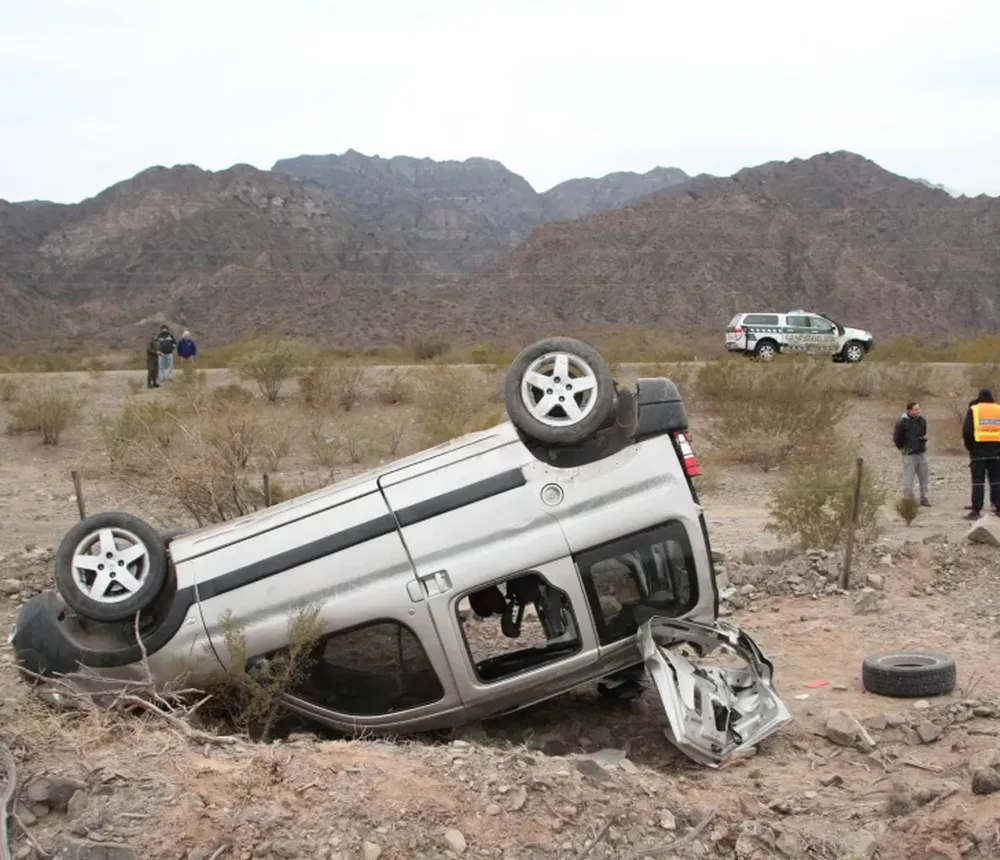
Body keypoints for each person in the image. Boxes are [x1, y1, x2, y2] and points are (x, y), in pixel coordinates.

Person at [962, 387, 1000, 519]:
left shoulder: (974, 409)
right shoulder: (998, 409)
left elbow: (967, 432)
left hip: (978, 450)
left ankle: (976, 510)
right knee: (996, 481)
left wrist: (970, 448)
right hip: (997, 451)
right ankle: (998, 508)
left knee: (978, 481)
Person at [893, 400, 930, 506]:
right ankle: (908, 501)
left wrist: (922, 440)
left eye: (918, 409)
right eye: (915, 409)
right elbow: (896, 438)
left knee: (924, 477)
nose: (918, 411)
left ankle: (924, 498)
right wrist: (904, 449)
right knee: (908, 479)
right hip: (909, 455)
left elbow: (924, 432)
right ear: (909, 411)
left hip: (921, 453)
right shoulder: (902, 423)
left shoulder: (922, 421)